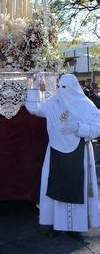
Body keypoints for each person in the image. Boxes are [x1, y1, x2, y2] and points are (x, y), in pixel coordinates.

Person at [26, 73, 100, 240]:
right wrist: (35, 86)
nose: (60, 90)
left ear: (73, 88)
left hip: (78, 152)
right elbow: (34, 109)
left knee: (76, 188)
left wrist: (78, 127)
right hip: (55, 152)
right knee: (56, 187)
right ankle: (57, 225)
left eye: (64, 87)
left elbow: (97, 127)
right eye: (59, 86)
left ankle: (76, 228)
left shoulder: (86, 105)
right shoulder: (53, 103)